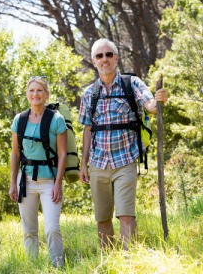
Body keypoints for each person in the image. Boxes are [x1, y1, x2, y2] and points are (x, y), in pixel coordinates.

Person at [79, 39, 168, 250]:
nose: (105, 59)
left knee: (126, 215)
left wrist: (159, 100)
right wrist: (83, 164)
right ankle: (109, 262)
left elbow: (150, 105)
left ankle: (129, 263)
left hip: (125, 160)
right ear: (93, 61)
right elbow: (87, 130)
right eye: (99, 56)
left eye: (109, 54)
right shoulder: (89, 94)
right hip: (98, 163)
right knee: (102, 218)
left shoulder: (132, 84)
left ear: (116, 58)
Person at [9, 76, 67, 267]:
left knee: (52, 228)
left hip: (49, 181)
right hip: (25, 181)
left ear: (47, 94)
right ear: (27, 94)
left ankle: (58, 267)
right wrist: (12, 183)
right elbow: (15, 154)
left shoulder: (56, 120)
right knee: (29, 230)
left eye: (39, 90)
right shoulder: (20, 120)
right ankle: (32, 267)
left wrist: (58, 183)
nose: (35, 94)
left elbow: (62, 153)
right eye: (32, 91)